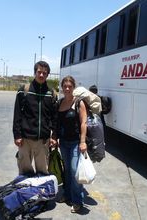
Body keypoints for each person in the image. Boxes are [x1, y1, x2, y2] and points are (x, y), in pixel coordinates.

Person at [13, 61, 58, 175]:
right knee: (24, 172)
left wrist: (54, 136)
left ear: (47, 75)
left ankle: (41, 193)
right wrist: (17, 135)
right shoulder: (24, 90)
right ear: (35, 73)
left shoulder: (51, 93)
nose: (41, 75)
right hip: (25, 139)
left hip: (43, 140)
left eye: (44, 73)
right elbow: (17, 114)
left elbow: (54, 117)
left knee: (43, 172)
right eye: (39, 72)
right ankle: (26, 192)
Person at [57, 75, 87, 213]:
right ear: (62, 88)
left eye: (70, 86)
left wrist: (82, 141)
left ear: (73, 87)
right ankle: (67, 195)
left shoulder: (79, 102)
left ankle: (77, 201)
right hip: (63, 143)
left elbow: (83, 123)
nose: (67, 88)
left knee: (75, 171)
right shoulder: (60, 103)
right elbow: (57, 123)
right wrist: (54, 138)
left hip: (76, 142)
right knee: (67, 170)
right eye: (65, 86)